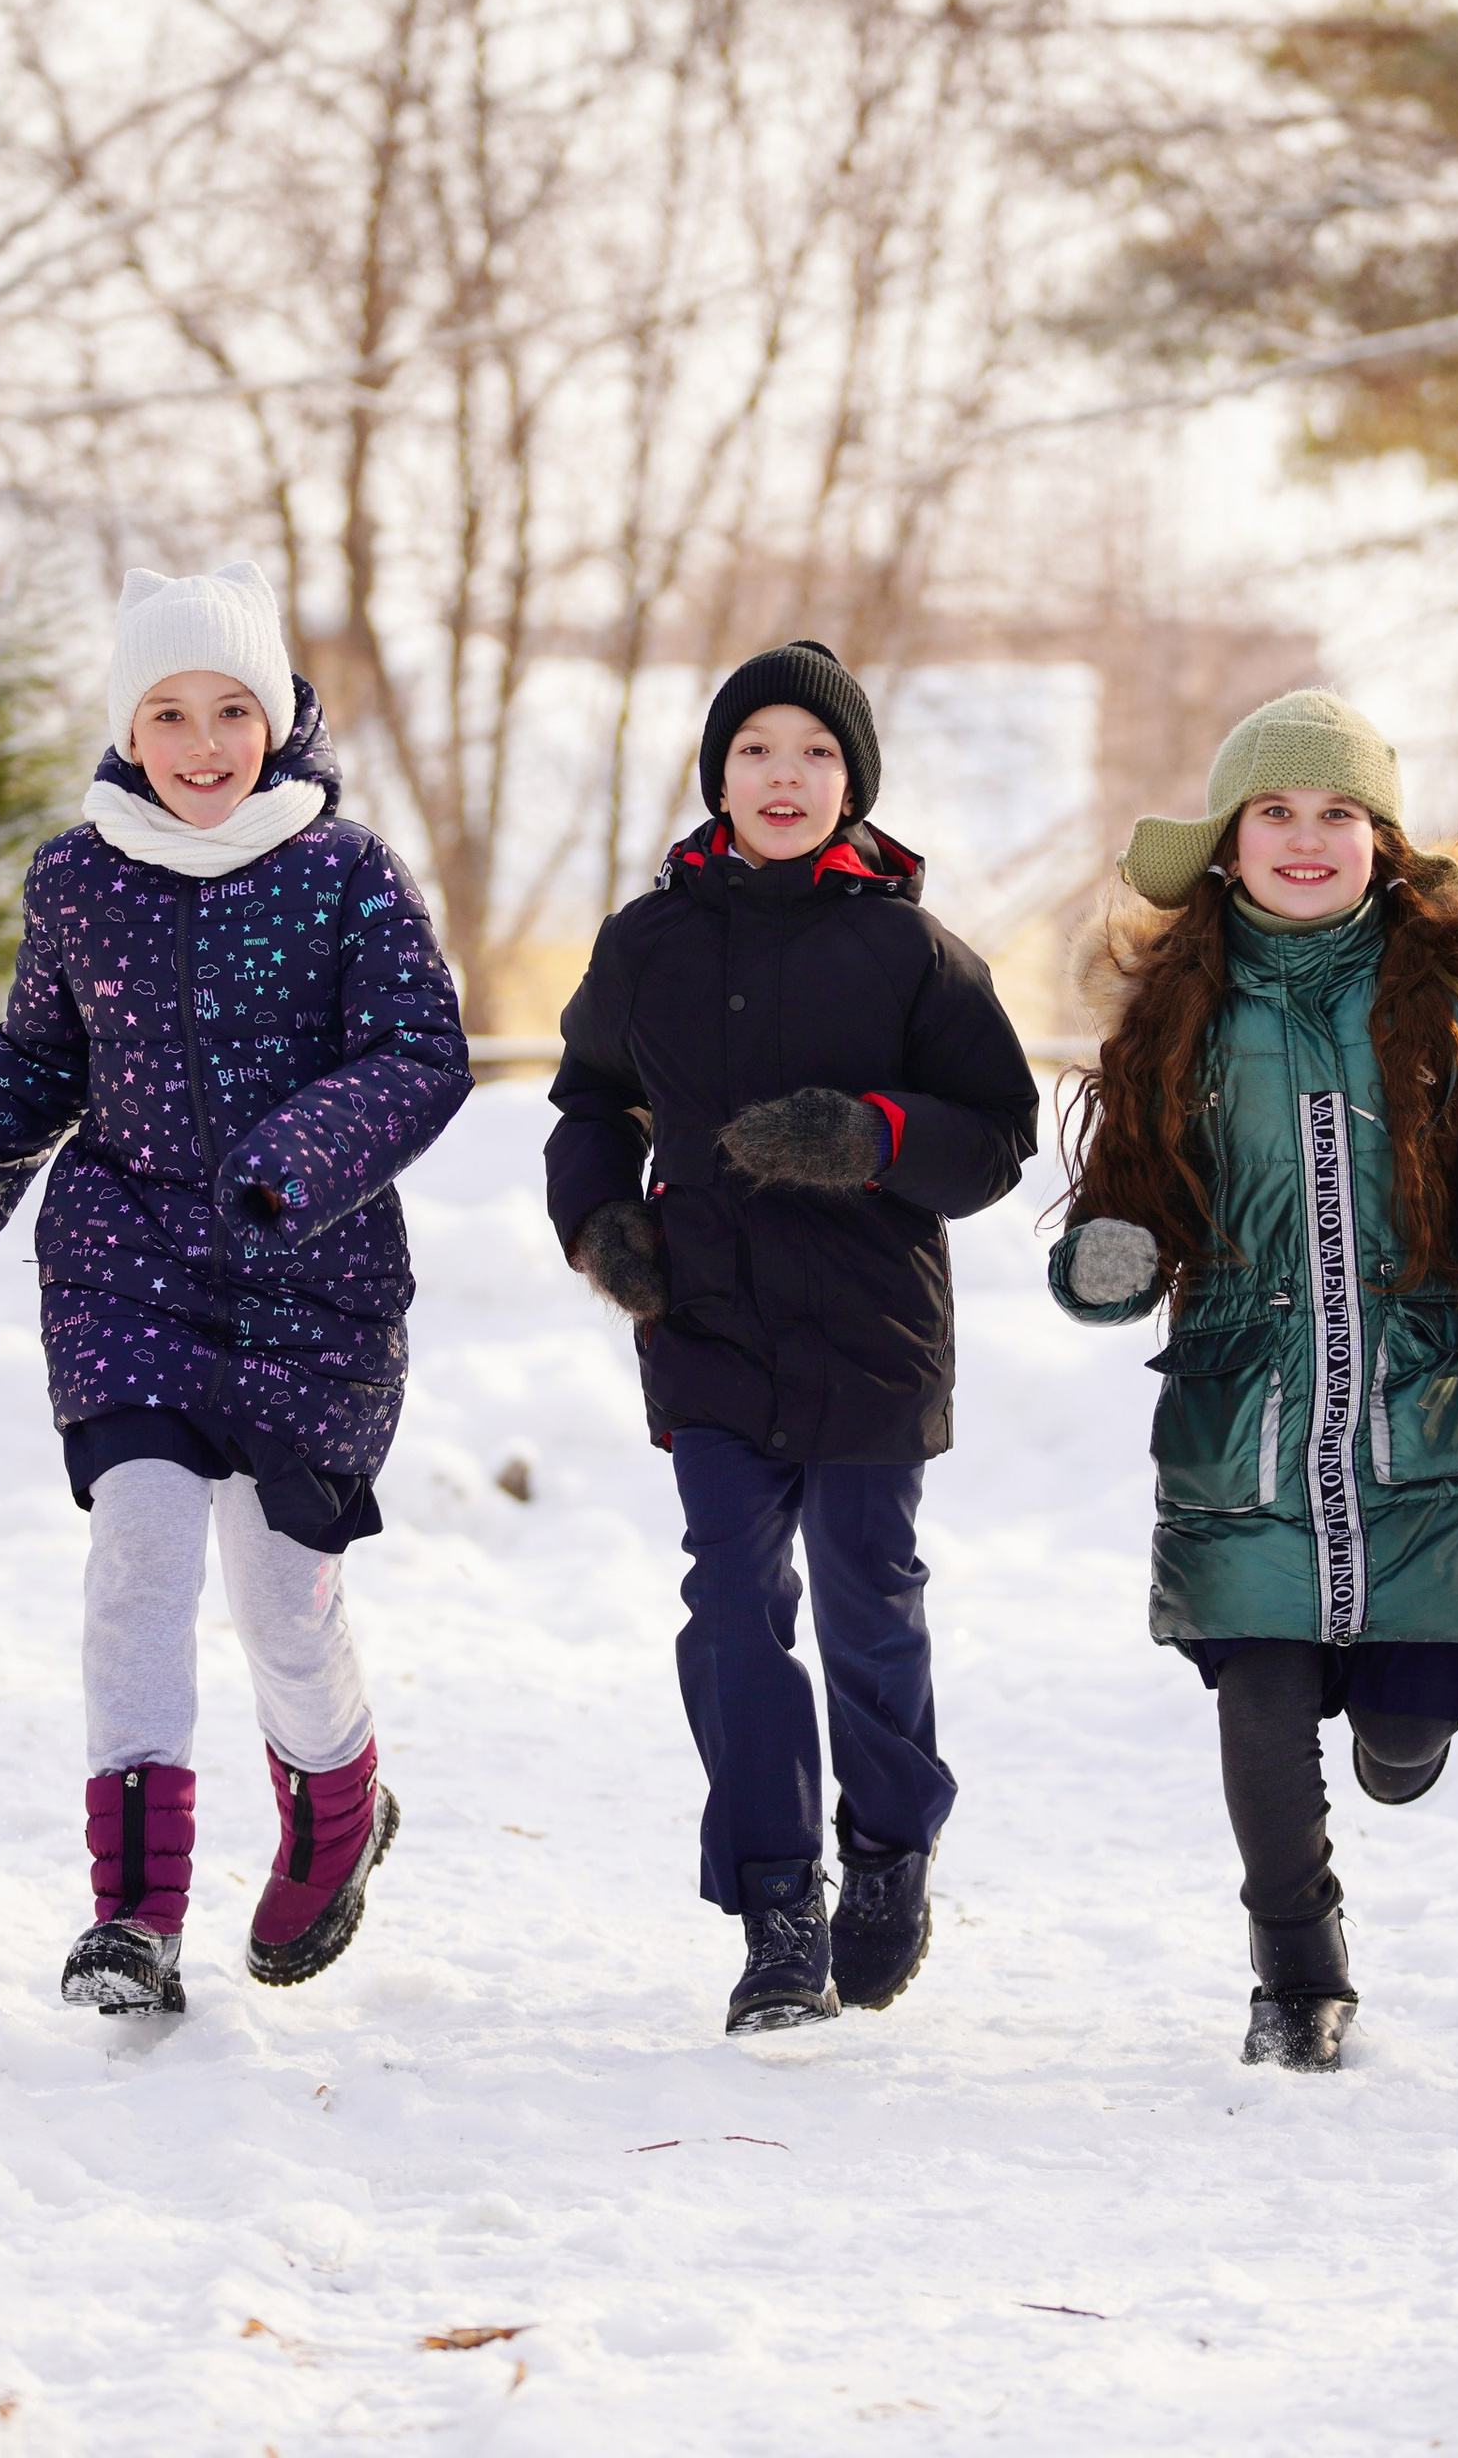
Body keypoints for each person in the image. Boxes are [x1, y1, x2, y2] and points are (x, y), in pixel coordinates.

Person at [0, 563, 470, 2017]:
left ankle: (339, 1803)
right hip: (125, 1265)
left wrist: (293, 1160)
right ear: (128, 728)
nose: (204, 744)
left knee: (281, 1599)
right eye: (169, 712)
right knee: (138, 1558)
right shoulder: (80, 876)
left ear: (279, 716)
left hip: (306, 1283)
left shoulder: (344, 872)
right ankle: (132, 1915)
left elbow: (420, 1055)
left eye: (231, 709)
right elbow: (35, 1066)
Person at [1052, 689, 1458, 2071]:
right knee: (1256, 1708)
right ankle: (1296, 1972)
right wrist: (1106, 1262)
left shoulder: (1449, 1017)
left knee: (1403, 1729)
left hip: (1421, 1427)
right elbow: (1119, 1220)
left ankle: (1404, 1734)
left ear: (1380, 843)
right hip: (1240, 1421)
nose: (1305, 840)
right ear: (1228, 843)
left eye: (1336, 815)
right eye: (1275, 814)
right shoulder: (1176, 1023)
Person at [547, 641, 1038, 2035]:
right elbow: (588, 1105)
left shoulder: (912, 952)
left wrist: (872, 1135)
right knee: (734, 1604)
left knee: (866, 1590)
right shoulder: (646, 943)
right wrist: (599, 1227)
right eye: (758, 750)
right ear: (718, 777)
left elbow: (998, 1136)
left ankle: (889, 1847)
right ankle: (777, 1906)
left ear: (853, 784)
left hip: (874, 1330)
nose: (785, 776)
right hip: (703, 1322)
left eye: (816, 755)